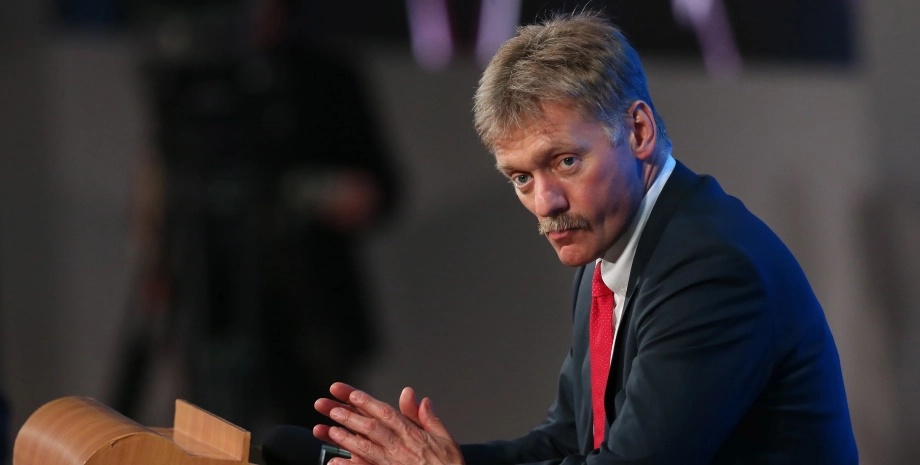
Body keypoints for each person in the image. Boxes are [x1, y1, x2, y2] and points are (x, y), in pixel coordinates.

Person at [311, 11, 858, 465]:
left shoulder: (708, 268)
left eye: (565, 161)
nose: (545, 202)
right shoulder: (611, 247)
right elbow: (567, 441)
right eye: (521, 178)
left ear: (638, 131)